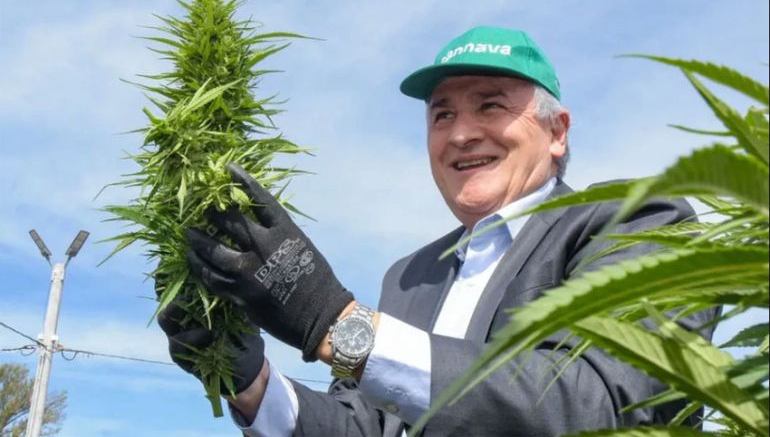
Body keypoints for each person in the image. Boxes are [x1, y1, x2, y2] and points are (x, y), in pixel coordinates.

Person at [159, 26, 716, 436]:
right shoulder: (409, 277)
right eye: (442, 115)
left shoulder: (635, 222)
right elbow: (363, 427)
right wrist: (250, 381)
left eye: (490, 105)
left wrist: (331, 321)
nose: (460, 134)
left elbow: (604, 406)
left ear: (557, 132)